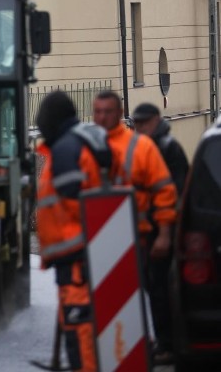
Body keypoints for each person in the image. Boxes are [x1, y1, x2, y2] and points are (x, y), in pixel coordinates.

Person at [93, 90, 178, 365]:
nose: (102, 117)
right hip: (107, 242)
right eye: (98, 112)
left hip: (142, 236)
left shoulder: (142, 147)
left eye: (108, 111)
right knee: (117, 298)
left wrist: (164, 233)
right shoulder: (88, 149)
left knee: (155, 293)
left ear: (119, 114)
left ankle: (154, 345)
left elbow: (165, 192)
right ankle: (123, 348)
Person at [37, 91, 111, 372]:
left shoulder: (67, 149)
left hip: (77, 255)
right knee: (77, 320)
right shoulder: (79, 141)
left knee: (80, 326)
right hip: (77, 253)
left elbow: (76, 200)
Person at [130, 102, 189, 363]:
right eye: (136, 124)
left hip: (162, 231)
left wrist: (166, 231)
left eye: (143, 123)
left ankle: (167, 345)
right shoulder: (150, 148)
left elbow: (175, 191)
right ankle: (163, 341)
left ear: (156, 120)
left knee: (160, 289)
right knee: (154, 288)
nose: (139, 128)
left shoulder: (166, 148)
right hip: (149, 232)